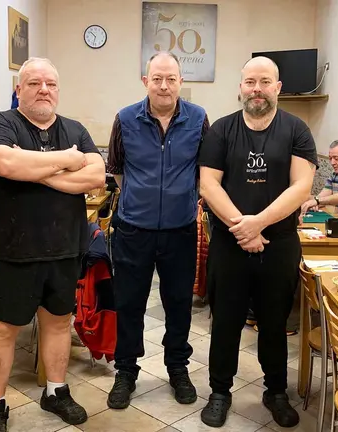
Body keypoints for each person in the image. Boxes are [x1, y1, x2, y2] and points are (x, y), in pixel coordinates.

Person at [0, 57, 105, 432]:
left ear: (58, 90)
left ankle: (55, 391)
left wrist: (34, 171)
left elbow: (96, 176)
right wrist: (66, 161)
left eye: (50, 84)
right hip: (12, 251)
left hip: (65, 249)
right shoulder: (2, 123)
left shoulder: (75, 128)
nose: (43, 90)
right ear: (19, 90)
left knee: (59, 323)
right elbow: (5, 165)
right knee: (1, 329)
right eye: (33, 83)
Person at [198, 56, 317, 428]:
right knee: (226, 322)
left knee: (274, 321)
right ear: (240, 87)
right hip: (229, 244)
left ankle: (276, 391)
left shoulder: (297, 130)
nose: (257, 90)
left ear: (278, 87)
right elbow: (208, 184)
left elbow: (302, 186)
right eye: (250, 82)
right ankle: (220, 392)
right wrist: (242, 229)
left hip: (279, 244)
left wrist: (259, 224)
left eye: (265, 82)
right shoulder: (221, 130)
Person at [105, 52, 209, 409]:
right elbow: (117, 170)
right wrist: (142, 197)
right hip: (133, 229)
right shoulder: (125, 119)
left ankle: (177, 367)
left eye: (171, 79)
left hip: (180, 230)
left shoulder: (198, 119)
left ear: (181, 81)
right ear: (145, 81)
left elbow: (204, 171)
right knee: (129, 302)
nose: (164, 85)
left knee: (179, 303)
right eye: (157, 78)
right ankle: (126, 370)